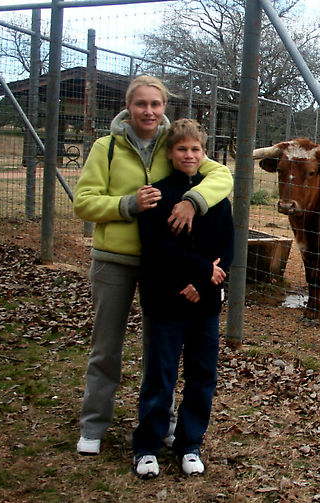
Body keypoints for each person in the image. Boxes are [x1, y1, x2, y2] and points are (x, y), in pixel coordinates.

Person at [73, 76, 232, 457]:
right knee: (106, 349)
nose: (148, 111)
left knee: (158, 351)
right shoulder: (105, 148)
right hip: (115, 260)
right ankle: (94, 425)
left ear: (164, 108)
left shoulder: (172, 144)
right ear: (128, 107)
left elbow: (221, 176)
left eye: (155, 104)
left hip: (163, 269)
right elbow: (84, 202)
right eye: (141, 104)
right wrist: (128, 204)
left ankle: (161, 424)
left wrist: (192, 201)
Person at [132, 119, 233, 479]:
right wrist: (198, 272)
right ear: (170, 154)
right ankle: (147, 445)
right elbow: (156, 249)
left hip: (204, 303)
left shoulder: (217, 199)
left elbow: (227, 249)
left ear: (204, 153)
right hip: (165, 299)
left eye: (196, 149)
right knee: (160, 374)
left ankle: (190, 443)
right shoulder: (157, 195)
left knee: (202, 373)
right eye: (181, 149)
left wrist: (203, 283)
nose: (189, 155)